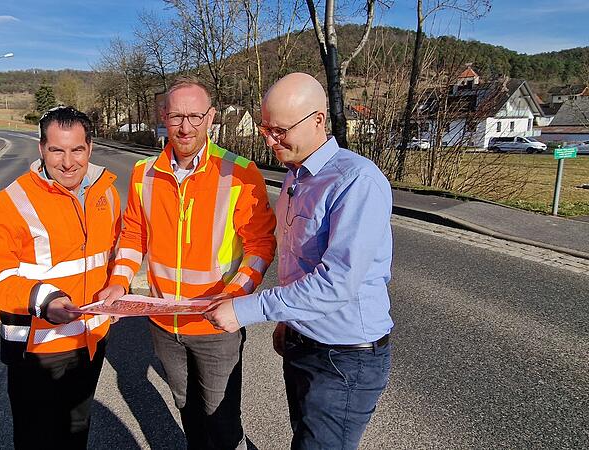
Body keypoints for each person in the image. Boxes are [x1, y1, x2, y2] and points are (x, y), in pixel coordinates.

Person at [205, 72, 394, 450]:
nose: (271, 139)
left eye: (280, 130)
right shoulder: (295, 176)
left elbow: (336, 282)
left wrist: (246, 310)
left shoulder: (357, 181)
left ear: (318, 120)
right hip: (303, 342)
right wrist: (290, 324)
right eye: (265, 129)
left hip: (344, 360)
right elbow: (298, 263)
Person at [102, 76, 276, 450]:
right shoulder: (143, 173)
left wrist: (234, 296)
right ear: (163, 116)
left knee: (223, 419)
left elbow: (260, 245)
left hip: (216, 324)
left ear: (211, 118)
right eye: (177, 116)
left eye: (195, 116)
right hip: (164, 322)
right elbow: (134, 236)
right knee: (187, 409)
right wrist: (119, 281)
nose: (185, 127)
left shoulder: (241, 173)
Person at [0, 106, 121, 449]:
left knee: (76, 430)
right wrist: (45, 299)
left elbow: (114, 253)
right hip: (38, 349)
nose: (68, 162)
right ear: (41, 149)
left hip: (91, 339)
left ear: (90, 148)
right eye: (56, 150)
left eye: (76, 149)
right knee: (37, 437)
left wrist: (120, 287)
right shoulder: (7, 203)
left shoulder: (106, 193)